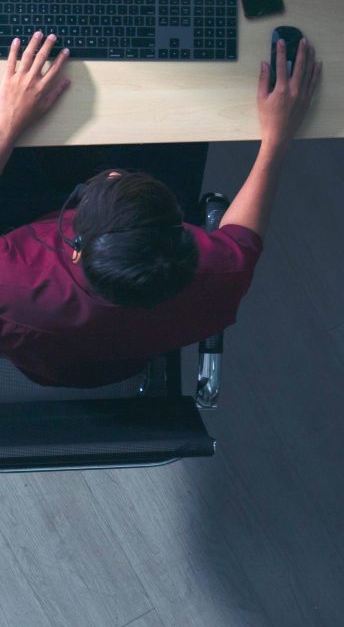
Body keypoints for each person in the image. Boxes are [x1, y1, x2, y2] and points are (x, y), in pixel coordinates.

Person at [0, 30, 320, 387]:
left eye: (102, 187)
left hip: (55, 358)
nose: (114, 174)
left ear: (75, 250)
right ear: (181, 234)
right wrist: (277, 138)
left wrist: (10, 121)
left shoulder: (10, 281)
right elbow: (243, 238)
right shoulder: (213, 279)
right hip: (119, 357)